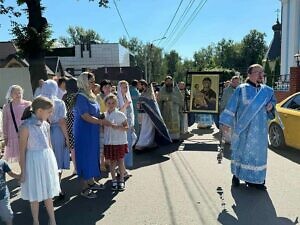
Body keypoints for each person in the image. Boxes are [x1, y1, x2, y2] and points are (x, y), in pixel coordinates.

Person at [220, 64, 276, 190]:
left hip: (260, 132)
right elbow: (231, 106)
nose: (261, 75)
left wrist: (271, 106)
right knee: (241, 153)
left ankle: (256, 180)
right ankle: (236, 176)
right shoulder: (241, 89)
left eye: (262, 72)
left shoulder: (267, 91)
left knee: (258, 156)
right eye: (257, 72)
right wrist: (225, 123)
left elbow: (273, 105)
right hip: (243, 129)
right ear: (249, 74)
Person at [19, 97, 61, 225]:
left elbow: (49, 145)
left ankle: (52, 219)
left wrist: (54, 165)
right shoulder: (26, 126)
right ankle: (35, 221)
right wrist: (23, 171)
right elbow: (22, 151)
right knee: (34, 193)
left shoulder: (46, 125)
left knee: (48, 191)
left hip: (46, 160)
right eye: (49, 111)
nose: (51, 114)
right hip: (33, 162)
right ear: (40, 110)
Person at [73, 72, 112, 198]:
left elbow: (96, 112)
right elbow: (85, 116)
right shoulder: (80, 96)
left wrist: (103, 116)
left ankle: (91, 182)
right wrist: (101, 121)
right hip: (84, 131)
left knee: (93, 155)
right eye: (91, 81)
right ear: (84, 82)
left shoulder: (90, 95)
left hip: (92, 130)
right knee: (85, 156)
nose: (94, 84)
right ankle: (84, 188)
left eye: (94, 81)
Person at [41, 80, 69, 199]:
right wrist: (67, 138)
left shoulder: (38, 102)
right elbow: (62, 122)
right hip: (57, 132)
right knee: (57, 160)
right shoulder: (59, 103)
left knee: (45, 161)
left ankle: (46, 189)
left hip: (42, 133)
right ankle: (57, 188)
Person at [135, 80, 172, 151]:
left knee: (147, 130)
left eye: (139, 85)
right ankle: (150, 143)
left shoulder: (149, 94)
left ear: (143, 85)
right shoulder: (144, 93)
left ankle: (142, 144)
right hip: (144, 115)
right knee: (146, 129)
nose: (138, 87)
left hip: (149, 115)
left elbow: (151, 106)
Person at [103, 94, 128, 191]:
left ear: (116, 103)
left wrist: (118, 127)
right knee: (112, 162)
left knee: (120, 161)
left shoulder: (120, 114)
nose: (111, 105)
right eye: (109, 103)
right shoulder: (104, 115)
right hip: (109, 142)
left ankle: (121, 179)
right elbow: (102, 128)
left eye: (113, 103)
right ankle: (113, 180)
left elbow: (126, 127)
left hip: (119, 141)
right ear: (106, 104)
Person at [2, 85, 31, 162]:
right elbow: (5, 122)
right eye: (15, 93)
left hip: (26, 131)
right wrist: (5, 136)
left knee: (28, 153)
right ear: (11, 94)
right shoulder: (7, 107)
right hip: (13, 133)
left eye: (19, 93)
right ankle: (23, 171)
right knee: (19, 155)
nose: (18, 95)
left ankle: (27, 171)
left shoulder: (27, 104)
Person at [117, 80, 137, 169]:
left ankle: (125, 166)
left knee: (130, 144)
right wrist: (125, 105)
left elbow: (131, 112)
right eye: (123, 87)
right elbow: (117, 113)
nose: (125, 88)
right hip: (121, 125)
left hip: (129, 124)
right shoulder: (116, 98)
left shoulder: (128, 97)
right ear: (119, 88)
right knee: (122, 146)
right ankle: (122, 168)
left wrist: (132, 124)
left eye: (126, 87)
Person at [157, 76, 184, 140]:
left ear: (172, 81)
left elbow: (180, 99)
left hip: (175, 109)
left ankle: (176, 137)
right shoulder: (162, 90)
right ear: (165, 82)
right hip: (166, 109)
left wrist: (173, 98)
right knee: (167, 123)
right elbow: (159, 99)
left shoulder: (176, 89)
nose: (169, 82)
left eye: (170, 81)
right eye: (167, 81)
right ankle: (167, 137)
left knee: (175, 123)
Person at [62, 78, 78, 175]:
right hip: (78, 121)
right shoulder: (78, 96)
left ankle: (75, 168)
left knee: (72, 147)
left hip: (69, 122)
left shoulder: (65, 96)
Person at [219, 76, 240, 143]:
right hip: (228, 111)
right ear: (232, 82)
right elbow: (223, 100)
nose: (236, 83)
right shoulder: (227, 90)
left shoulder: (240, 90)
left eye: (237, 82)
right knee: (228, 126)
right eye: (235, 82)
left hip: (238, 111)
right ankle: (228, 140)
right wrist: (222, 110)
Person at [0, 159, 20, 225]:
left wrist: (21, 176)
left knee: (7, 215)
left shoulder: (2, 162)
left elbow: (11, 174)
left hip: (3, 196)